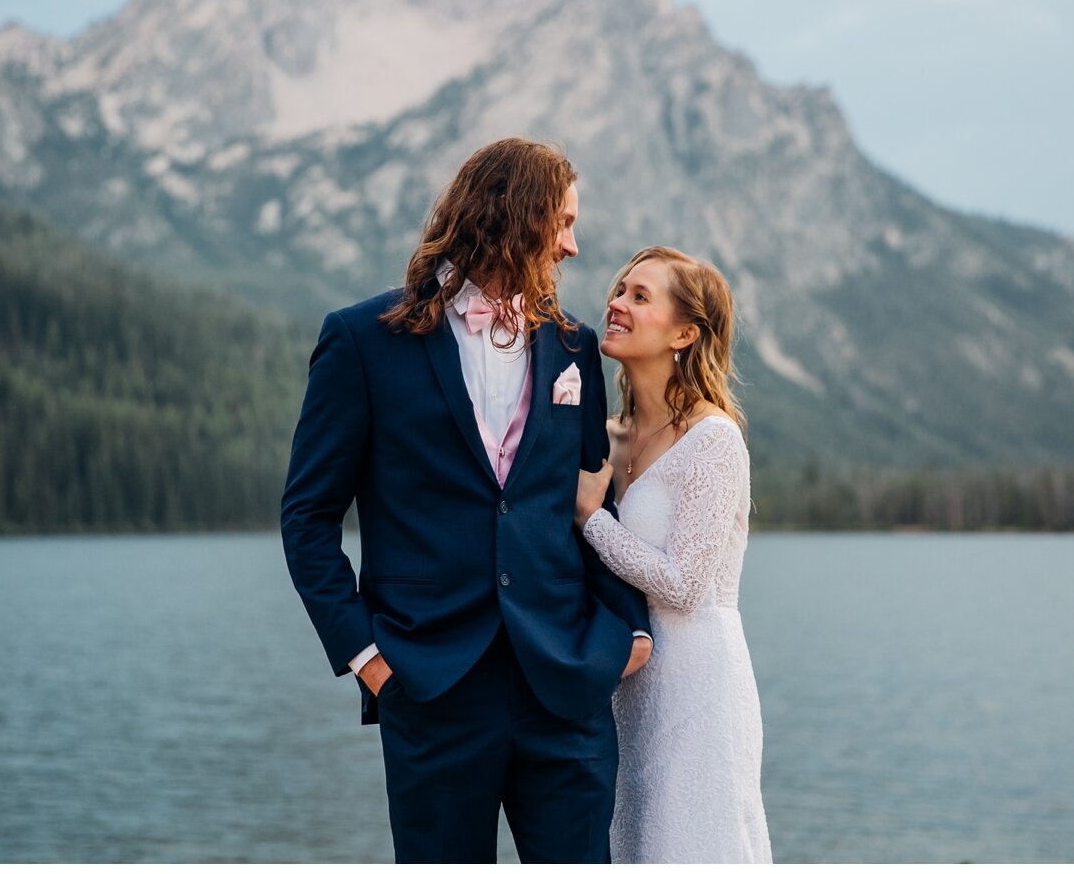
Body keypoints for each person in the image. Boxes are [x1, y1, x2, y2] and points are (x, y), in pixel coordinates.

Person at [281, 138, 653, 863]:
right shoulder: (361, 340)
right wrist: (366, 656)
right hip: (430, 684)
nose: (575, 247)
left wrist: (628, 629)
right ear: (514, 216)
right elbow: (307, 515)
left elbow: (587, 502)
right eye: (564, 223)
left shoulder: (575, 349)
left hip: (566, 682)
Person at [574, 245, 773, 864]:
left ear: (685, 333)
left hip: (699, 685)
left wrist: (591, 519)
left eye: (641, 296)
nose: (617, 303)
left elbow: (684, 585)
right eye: (619, 290)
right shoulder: (608, 436)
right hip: (630, 685)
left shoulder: (714, 440)